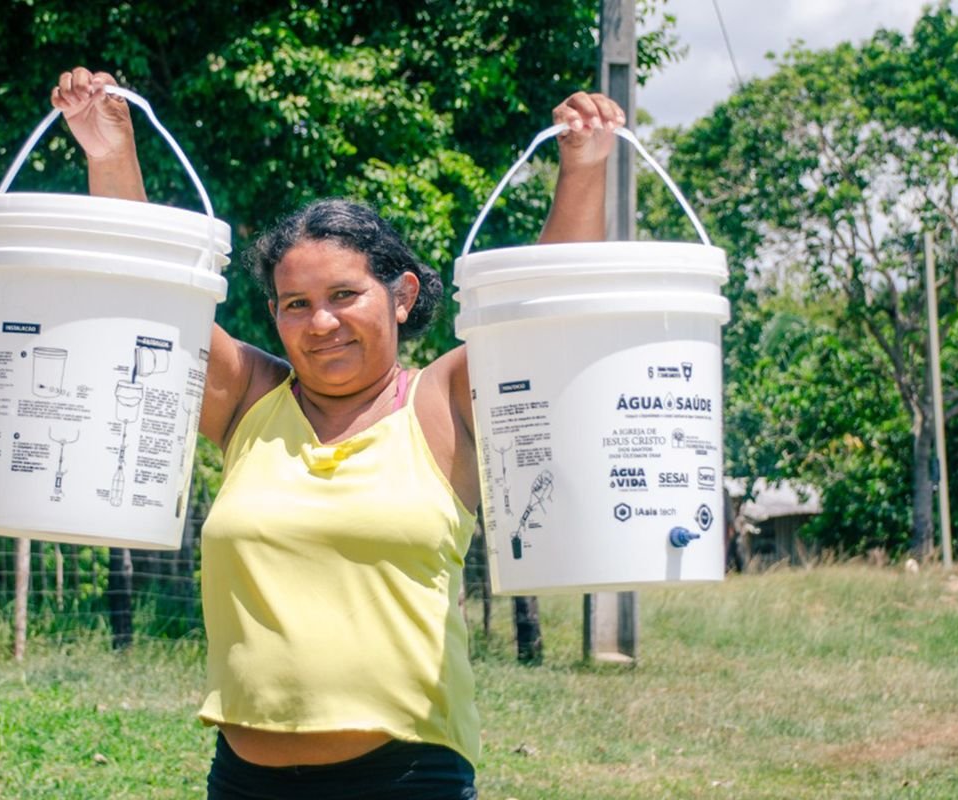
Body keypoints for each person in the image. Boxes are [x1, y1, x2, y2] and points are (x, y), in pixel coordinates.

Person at [51, 67, 622, 799]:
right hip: (244, 783)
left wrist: (582, 171)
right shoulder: (248, 402)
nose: (321, 322)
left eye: (345, 296)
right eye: (296, 303)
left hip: (408, 778)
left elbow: (542, 320)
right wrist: (110, 152)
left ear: (403, 294)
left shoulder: (444, 403)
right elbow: (147, 303)